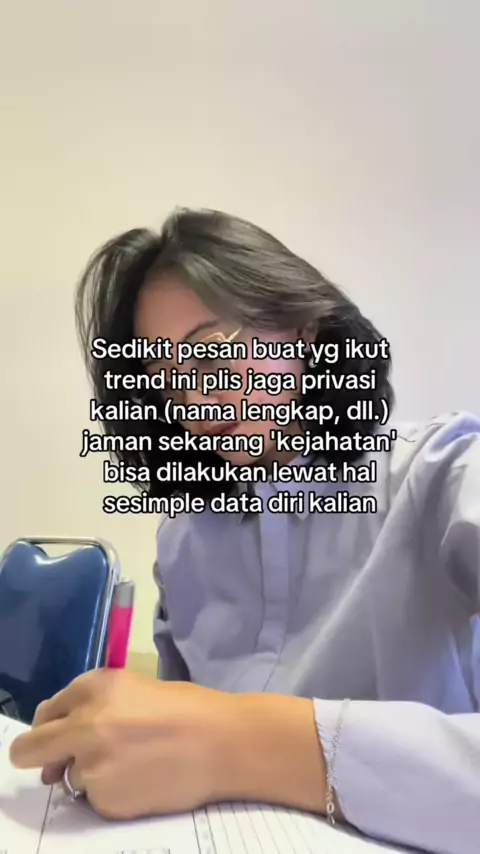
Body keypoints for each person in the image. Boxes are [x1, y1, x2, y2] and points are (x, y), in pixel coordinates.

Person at [10, 209, 479, 853]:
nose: (198, 399)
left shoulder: (443, 473)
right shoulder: (184, 541)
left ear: (303, 330)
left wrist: (246, 743)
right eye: (166, 381)